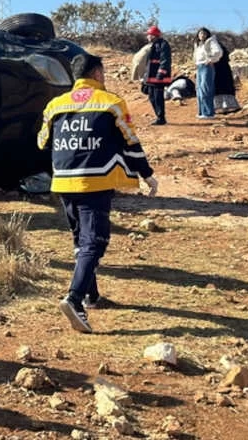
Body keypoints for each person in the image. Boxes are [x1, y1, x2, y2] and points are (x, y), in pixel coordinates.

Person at [37, 52, 156, 333]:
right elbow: (131, 142)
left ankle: (91, 295)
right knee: (95, 242)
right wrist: (147, 175)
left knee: (81, 240)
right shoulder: (111, 103)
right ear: (98, 74)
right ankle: (75, 298)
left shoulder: (55, 105)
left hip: (64, 182)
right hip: (96, 181)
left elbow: (42, 141)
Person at [143, 26, 172, 125]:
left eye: (149, 35)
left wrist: (161, 73)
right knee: (151, 97)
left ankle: (161, 118)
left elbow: (165, 60)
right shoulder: (151, 46)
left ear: (154, 35)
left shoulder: (163, 45)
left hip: (159, 77)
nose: (147, 37)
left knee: (158, 97)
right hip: (151, 76)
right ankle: (158, 116)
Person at [193, 28, 223, 120]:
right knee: (199, 90)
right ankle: (202, 112)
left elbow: (218, 52)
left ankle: (208, 113)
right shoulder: (197, 45)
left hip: (207, 67)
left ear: (207, 35)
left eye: (204, 33)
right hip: (199, 67)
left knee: (206, 89)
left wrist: (211, 60)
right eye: (200, 33)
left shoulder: (211, 42)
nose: (202, 35)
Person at [213, 40, 241, 114]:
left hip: (218, 71)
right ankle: (228, 106)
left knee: (219, 88)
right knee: (224, 88)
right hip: (223, 71)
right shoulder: (222, 52)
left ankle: (222, 107)